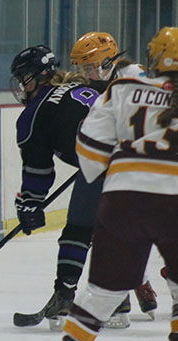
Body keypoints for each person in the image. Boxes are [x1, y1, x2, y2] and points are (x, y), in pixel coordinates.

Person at [43, 26, 178, 341]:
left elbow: (88, 150)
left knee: (101, 290)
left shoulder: (121, 90)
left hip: (124, 197)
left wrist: (116, 165)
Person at [68, 32, 159, 325]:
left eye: (89, 66)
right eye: (82, 68)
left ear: (108, 60)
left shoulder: (134, 78)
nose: (86, 73)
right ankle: (129, 290)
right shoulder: (103, 84)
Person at [10, 45, 100, 330]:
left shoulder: (33, 114)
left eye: (23, 77)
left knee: (78, 230)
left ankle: (64, 298)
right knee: (133, 231)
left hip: (101, 167)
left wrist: (31, 203)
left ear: (35, 77)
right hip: (148, 161)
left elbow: (38, 169)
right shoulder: (83, 85)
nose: (22, 84)